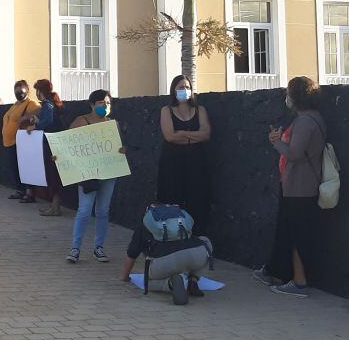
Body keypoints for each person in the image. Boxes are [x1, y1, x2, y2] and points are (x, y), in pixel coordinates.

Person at [254, 77, 327, 298]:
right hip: (296, 185)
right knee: (289, 232)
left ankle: (299, 282)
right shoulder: (312, 119)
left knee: (297, 235)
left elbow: (294, 153)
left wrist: (276, 142)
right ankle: (277, 272)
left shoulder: (305, 122)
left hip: (300, 186)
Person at [64, 90, 122, 263]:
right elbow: (67, 144)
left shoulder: (113, 124)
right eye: (101, 103)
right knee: (84, 210)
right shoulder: (82, 122)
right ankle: (75, 248)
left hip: (108, 171)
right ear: (92, 105)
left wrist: (121, 151)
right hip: (88, 173)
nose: (105, 106)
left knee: (103, 211)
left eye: (108, 103)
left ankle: (99, 247)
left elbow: (116, 146)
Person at [120, 204, 211, 304]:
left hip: (166, 261)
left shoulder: (146, 224)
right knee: (206, 242)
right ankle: (193, 280)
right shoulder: (180, 219)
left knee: (148, 283)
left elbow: (132, 253)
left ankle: (170, 284)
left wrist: (125, 277)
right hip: (196, 254)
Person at [157, 75, 213, 235]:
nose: (185, 90)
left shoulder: (200, 110)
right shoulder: (166, 111)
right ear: (174, 90)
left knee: (198, 201)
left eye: (187, 87)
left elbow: (206, 134)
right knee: (171, 201)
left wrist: (182, 134)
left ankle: (196, 239)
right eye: (181, 87)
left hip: (196, 162)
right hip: (172, 163)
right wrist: (192, 136)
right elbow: (170, 136)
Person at [24, 79, 66, 215]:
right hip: (56, 142)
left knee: (52, 175)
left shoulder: (48, 104)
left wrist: (34, 126)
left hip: (51, 143)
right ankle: (55, 206)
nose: (37, 94)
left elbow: (48, 121)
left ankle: (55, 207)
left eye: (37, 91)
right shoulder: (53, 103)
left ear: (41, 91)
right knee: (54, 175)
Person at [1, 81, 41, 200]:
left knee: (24, 167)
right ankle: (20, 189)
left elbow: (39, 111)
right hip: (9, 141)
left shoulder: (30, 103)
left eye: (21, 91)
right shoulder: (15, 104)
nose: (19, 93)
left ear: (27, 91)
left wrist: (25, 117)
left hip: (20, 141)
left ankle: (29, 192)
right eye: (16, 91)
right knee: (14, 167)